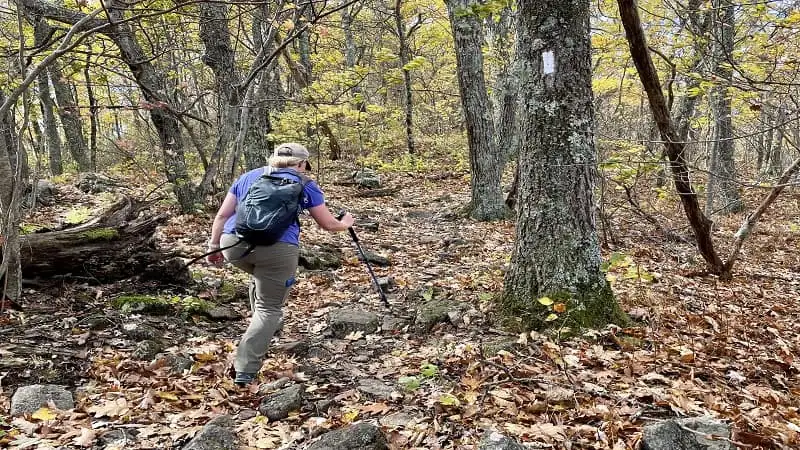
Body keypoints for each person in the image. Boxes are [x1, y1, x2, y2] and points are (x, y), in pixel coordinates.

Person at [206, 142, 354, 386]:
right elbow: (328, 224)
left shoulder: (249, 177)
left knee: (259, 278)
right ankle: (245, 369)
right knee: (269, 308)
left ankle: (261, 325)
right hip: (277, 250)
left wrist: (213, 247)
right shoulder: (306, 184)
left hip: (233, 245)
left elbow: (222, 215)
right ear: (302, 163)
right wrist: (346, 223)